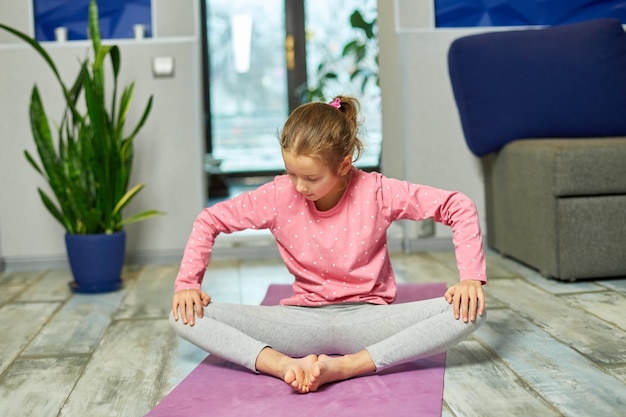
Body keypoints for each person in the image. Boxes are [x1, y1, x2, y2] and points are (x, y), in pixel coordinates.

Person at [170, 96, 487, 394]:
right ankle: (281, 365)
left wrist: (470, 278)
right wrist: (187, 284)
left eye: (310, 177)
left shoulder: (376, 191)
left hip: (369, 319)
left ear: (344, 164)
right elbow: (209, 220)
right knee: (182, 316)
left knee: (470, 311)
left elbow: (457, 205)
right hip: (302, 321)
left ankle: (349, 366)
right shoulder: (279, 195)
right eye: (291, 172)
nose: (298, 185)